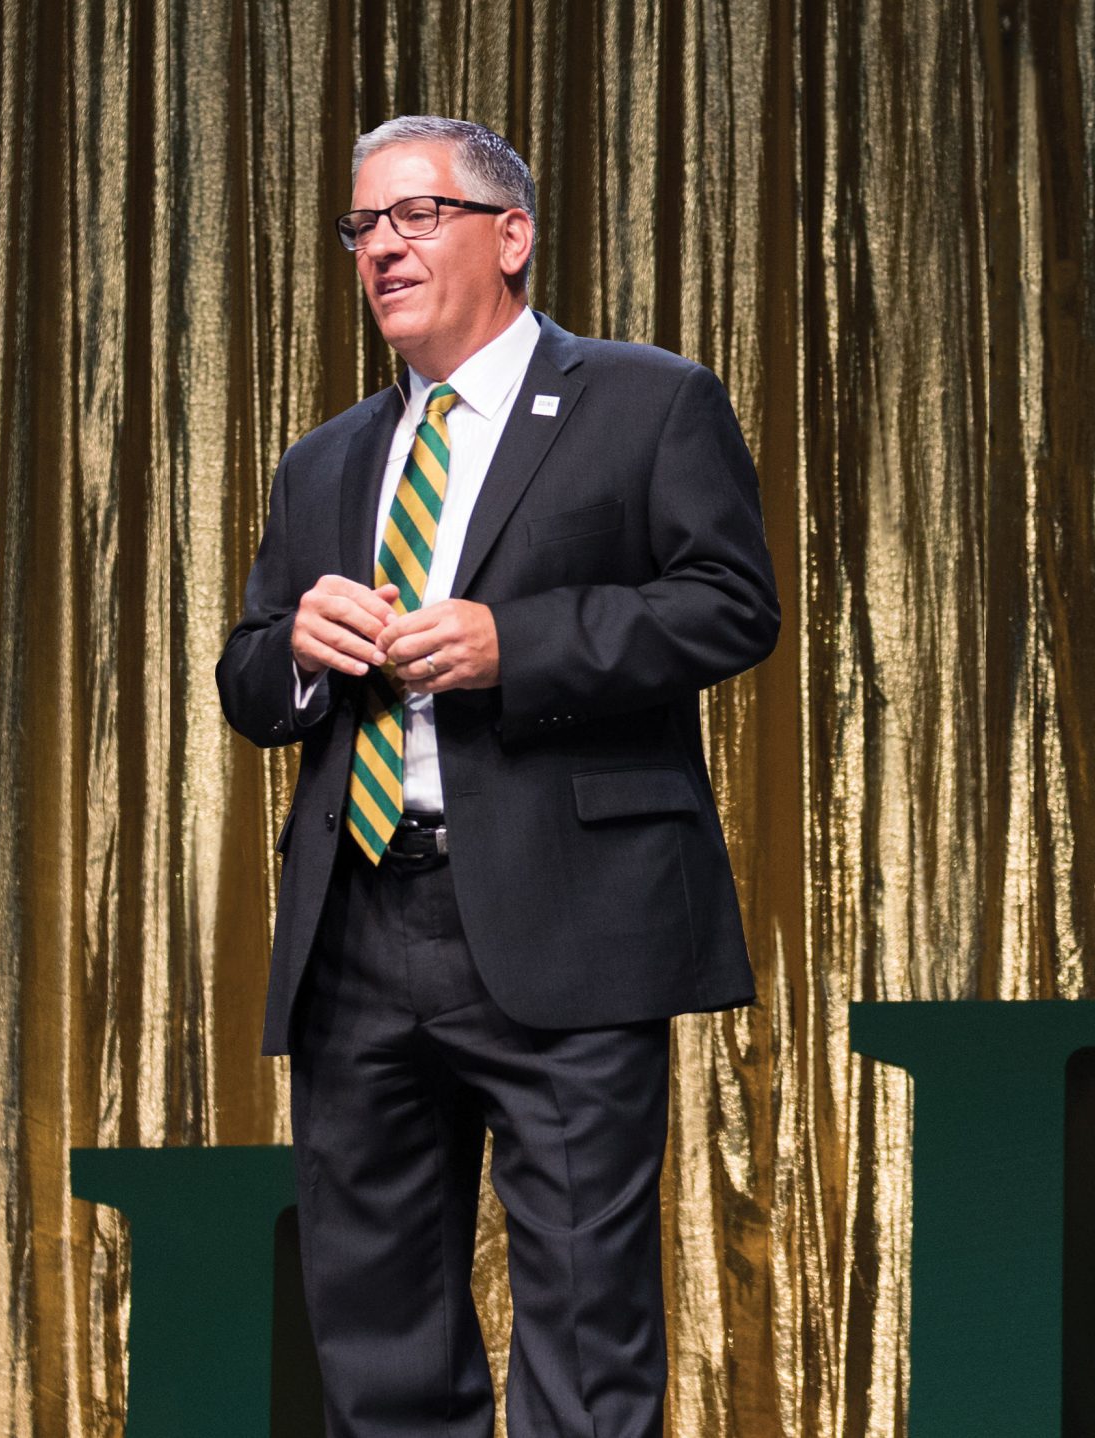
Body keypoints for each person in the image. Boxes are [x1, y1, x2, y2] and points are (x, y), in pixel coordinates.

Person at [215, 114, 778, 1437]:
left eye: (416, 216)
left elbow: (730, 606)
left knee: (585, 1324)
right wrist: (295, 649)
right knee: (376, 1326)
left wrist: (515, 642)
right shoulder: (327, 459)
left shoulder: (646, 400)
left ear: (509, 236)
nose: (382, 249)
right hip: (358, 923)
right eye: (363, 226)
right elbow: (249, 681)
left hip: (566, 919)